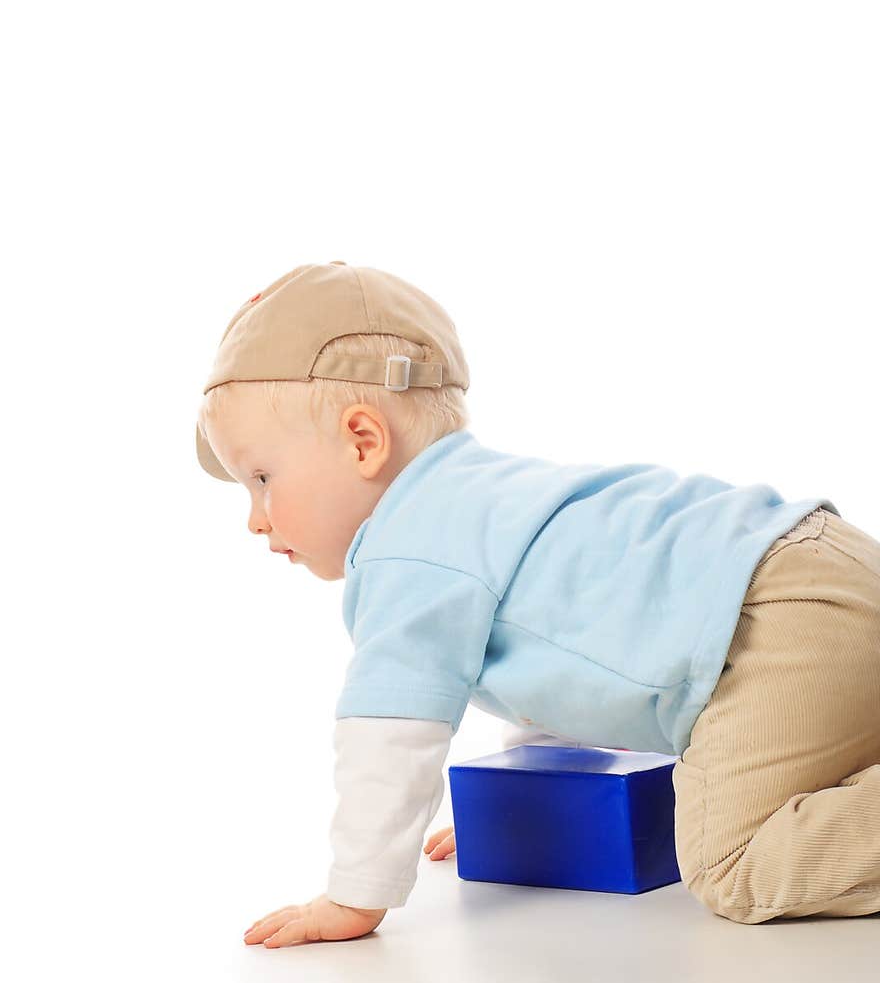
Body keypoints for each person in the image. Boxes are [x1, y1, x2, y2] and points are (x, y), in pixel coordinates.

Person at [196, 261, 880, 946]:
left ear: (363, 441)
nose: (256, 518)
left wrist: (354, 894)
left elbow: (390, 736)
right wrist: (523, 813)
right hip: (820, 567)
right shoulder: (489, 499)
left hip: (779, 623)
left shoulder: (407, 550)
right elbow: (567, 669)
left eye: (261, 478)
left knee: (733, 862)